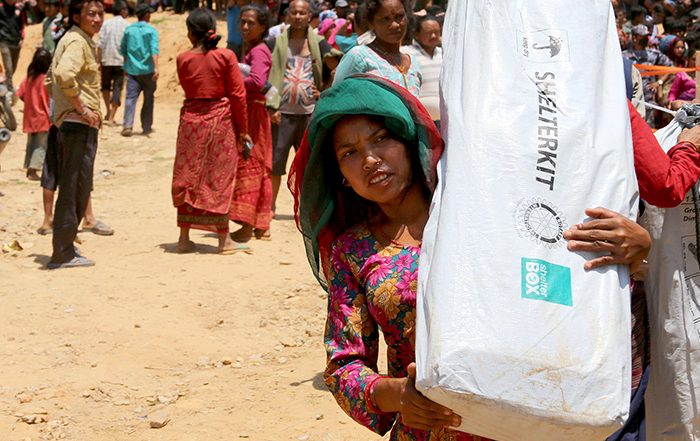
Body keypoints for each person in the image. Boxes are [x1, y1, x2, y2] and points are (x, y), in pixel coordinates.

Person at [289, 75, 657, 440]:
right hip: (431, 431)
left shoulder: (483, 210)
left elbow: (564, 282)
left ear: (408, 141)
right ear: (340, 175)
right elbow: (344, 367)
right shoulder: (354, 251)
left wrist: (635, 257)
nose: (369, 159)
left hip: (530, 421)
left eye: (381, 138)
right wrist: (398, 395)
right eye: (348, 153)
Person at [172, 7, 252, 254]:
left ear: (189, 33)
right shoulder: (226, 56)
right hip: (220, 123)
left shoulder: (182, 59)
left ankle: (184, 238)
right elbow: (238, 95)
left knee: (188, 176)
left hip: (190, 123)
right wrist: (243, 131)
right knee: (219, 178)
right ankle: (223, 240)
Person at [267, 0, 341, 215]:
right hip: (282, 113)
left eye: (303, 13)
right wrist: (272, 106)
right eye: (294, 12)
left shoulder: (318, 43)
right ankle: (270, 207)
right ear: (287, 15)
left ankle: (306, 207)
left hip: (309, 113)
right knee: (276, 163)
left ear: (310, 16)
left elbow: (338, 65)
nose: (298, 16)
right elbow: (264, 73)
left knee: (308, 165)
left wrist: (325, 90)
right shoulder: (276, 42)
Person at [48, 0, 105, 269]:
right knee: (73, 188)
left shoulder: (79, 40)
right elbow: (61, 74)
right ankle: (62, 253)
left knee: (79, 188)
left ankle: (67, 248)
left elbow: (52, 78)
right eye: (90, 14)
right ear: (76, 16)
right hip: (77, 125)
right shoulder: (76, 42)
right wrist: (81, 108)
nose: (97, 18)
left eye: (100, 14)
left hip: (74, 123)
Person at [230, 4, 273, 242]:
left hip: (254, 114)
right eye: (242, 22)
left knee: (250, 163)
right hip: (255, 111)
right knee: (259, 165)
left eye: (251, 23)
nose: (245, 27)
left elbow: (257, 81)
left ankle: (246, 225)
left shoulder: (258, 51)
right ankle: (261, 226)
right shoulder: (255, 49)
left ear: (263, 27)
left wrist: (233, 84)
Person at [333, 0, 422, 97]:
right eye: (385, 19)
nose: (395, 25)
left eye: (399, 16)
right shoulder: (360, 57)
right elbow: (336, 99)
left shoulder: (412, 62)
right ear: (371, 23)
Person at [120, 2, 159, 137]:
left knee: (130, 99)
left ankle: (127, 125)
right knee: (148, 99)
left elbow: (123, 50)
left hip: (132, 71)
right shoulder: (151, 31)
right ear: (147, 15)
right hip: (148, 71)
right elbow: (154, 50)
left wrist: (125, 66)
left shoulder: (129, 30)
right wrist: (156, 68)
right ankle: (146, 126)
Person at [623, 24, 672, 127]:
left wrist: (659, 82)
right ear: (635, 37)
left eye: (647, 36)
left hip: (649, 102)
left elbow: (670, 67)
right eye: (643, 36)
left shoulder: (654, 54)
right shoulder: (624, 56)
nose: (646, 39)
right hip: (630, 103)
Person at [18, 48, 52, 181]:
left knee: (31, 143)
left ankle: (29, 168)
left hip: (30, 116)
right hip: (43, 117)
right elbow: (51, 100)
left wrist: (30, 103)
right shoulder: (47, 80)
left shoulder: (29, 78)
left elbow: (21, 94)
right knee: (41, 145)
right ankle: (33, 170)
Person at [402, 14, 441, 124]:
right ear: (416, 34)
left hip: (445, 119)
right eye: (429, 32)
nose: (433, 35)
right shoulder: (406, 53)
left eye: (437, 32)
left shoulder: (445, 54)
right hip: (419, 118)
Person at [97, 0, 128, 125]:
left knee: (105, 87)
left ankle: (108, 111)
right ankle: (112, 117)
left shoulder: (106, 24)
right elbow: (127, 46)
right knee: (117, 88)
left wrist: (99, 60)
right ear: (122, 11)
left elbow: (100, 44)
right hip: (120, 61)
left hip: (106, 60)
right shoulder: (127, 25)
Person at [0, 0, 27, 102]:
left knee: (13, 67)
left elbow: (23, 23)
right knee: (9, 68)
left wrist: (22, 38)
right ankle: (10, 92)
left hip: (16, 42)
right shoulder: (1, 7)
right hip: (4, 41)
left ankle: (6, 86)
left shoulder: (20, 8)